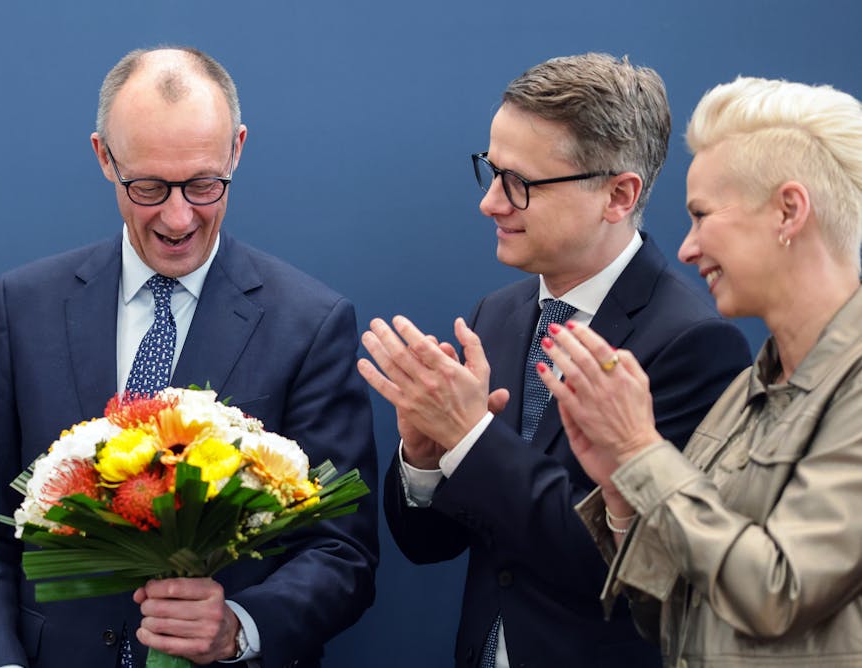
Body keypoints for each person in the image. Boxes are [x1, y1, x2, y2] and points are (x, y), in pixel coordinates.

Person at [0, 47, 378, 668]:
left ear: (237, 151)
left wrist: (239, 627)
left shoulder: (310, 323)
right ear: (104, 158)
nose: (178, 217)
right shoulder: (24, 306)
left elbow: (342, 552)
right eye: (148, 187)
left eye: (204, 185)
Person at [360, 53, 751, 666]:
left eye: (519, 183)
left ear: (618, 195)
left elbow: (613, 567)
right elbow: (429, 545)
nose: (491, 203)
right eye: (491, 171)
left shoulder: (694, 345)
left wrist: (469, 435)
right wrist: (427, 458)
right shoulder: (497, 315)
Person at [539, 76, 862, 664]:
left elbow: (775, 594)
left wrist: (640, 451)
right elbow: (671, 612)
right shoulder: (745, 392)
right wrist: (622, 491)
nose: (686, 249)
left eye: (702, 215)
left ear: (788, 211)